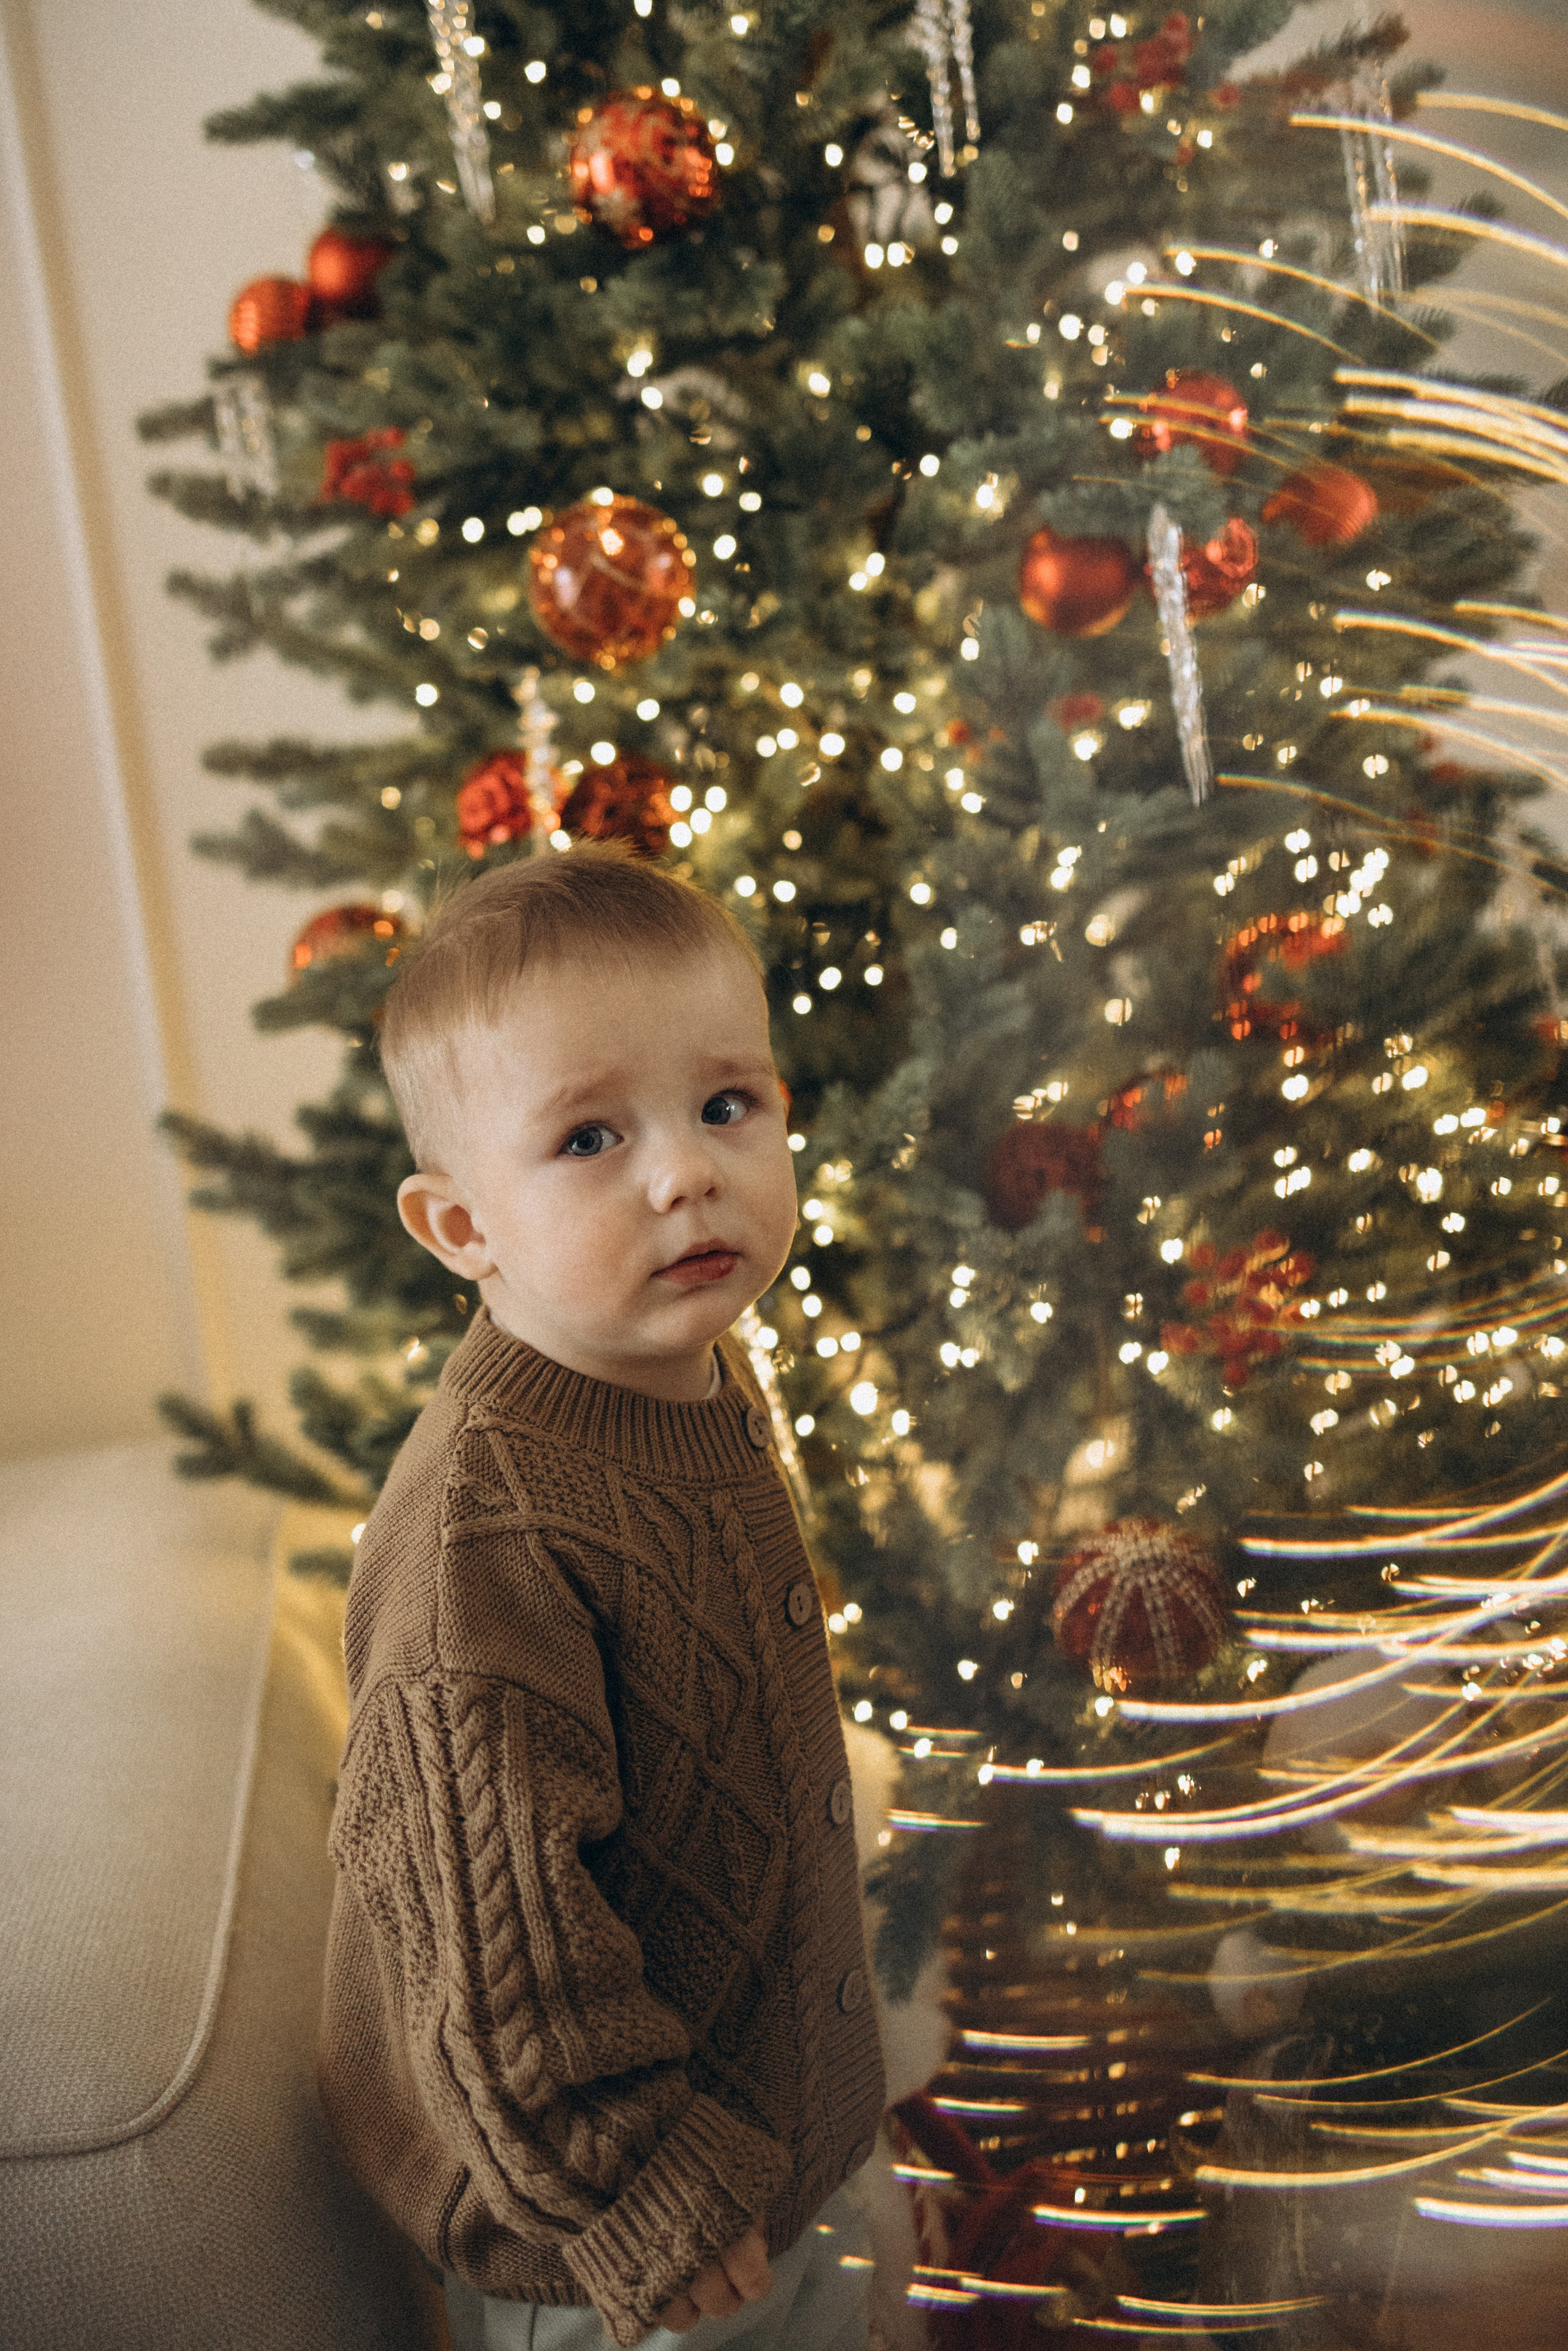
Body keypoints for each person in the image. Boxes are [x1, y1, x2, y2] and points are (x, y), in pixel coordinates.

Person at [317, 842, 886, 2351]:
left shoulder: (686, 1373)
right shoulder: (481, 1538)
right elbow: (489, 1959)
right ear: (461, 1228)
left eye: (725, 1104)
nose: (685, 1168)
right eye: (587, 1136)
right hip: (621, 2246)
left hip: (774, 2137)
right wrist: (642, 2191)